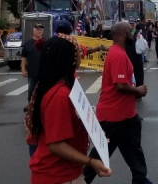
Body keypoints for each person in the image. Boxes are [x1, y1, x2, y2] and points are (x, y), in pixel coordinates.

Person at [26, 36, 112, 183]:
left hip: (65, 173)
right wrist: (90, 161)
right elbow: (56, 145)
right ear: (71, 59)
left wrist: (96, 134)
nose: (81, 53)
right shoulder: (59, 95)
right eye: (79, 50)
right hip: (57, 175)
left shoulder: (63, 87)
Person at [84, 22, 153, 184]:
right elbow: (120, 85)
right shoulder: (118, 55)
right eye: (130, 31)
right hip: (113, 118)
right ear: (122, 33)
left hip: (125, 116)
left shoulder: (118, 52)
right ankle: (80, 179)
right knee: (100, 155)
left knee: (134, 151)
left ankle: (140, 179)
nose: (133, 34)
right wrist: (138, 91)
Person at [21, 23, 45, 112]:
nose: (39, 31)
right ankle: (30, 104)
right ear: (33, 31)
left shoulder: (45, 42)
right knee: (31, 89)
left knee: (44, 89)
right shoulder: (28, 43)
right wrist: (23, 69)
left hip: (44, 71)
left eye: (41, 30)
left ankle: (43, 105)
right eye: (37, 29)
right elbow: (24, 57)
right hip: (32, 71)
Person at [125, 19, 145, 89]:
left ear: (135, 24)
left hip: (137, 58)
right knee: (127, 76)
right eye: (130, 24)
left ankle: (139, 92)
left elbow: (143, 44)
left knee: (138, 76)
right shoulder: (125, 34)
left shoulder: (138, 33)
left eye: (133, 24)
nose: (131, 25)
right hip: (127, 58)